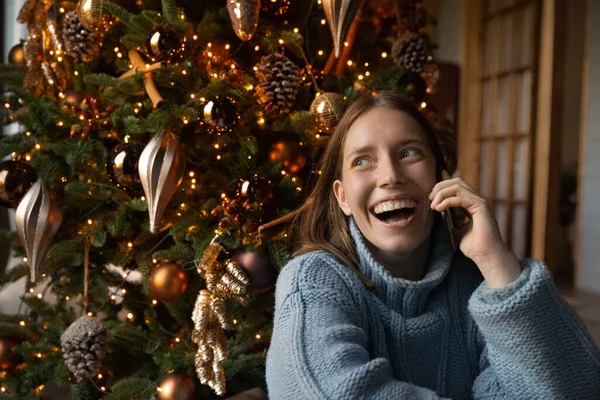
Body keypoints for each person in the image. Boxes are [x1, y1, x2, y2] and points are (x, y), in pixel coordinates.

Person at [265, 90, 600, 399]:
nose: (390, 176)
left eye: (408, 152)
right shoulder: (312, 280)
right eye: (362, 160)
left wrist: (496, 261)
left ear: (441, 179)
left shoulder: (475, 283)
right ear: (343, 198)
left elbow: (576, 388)